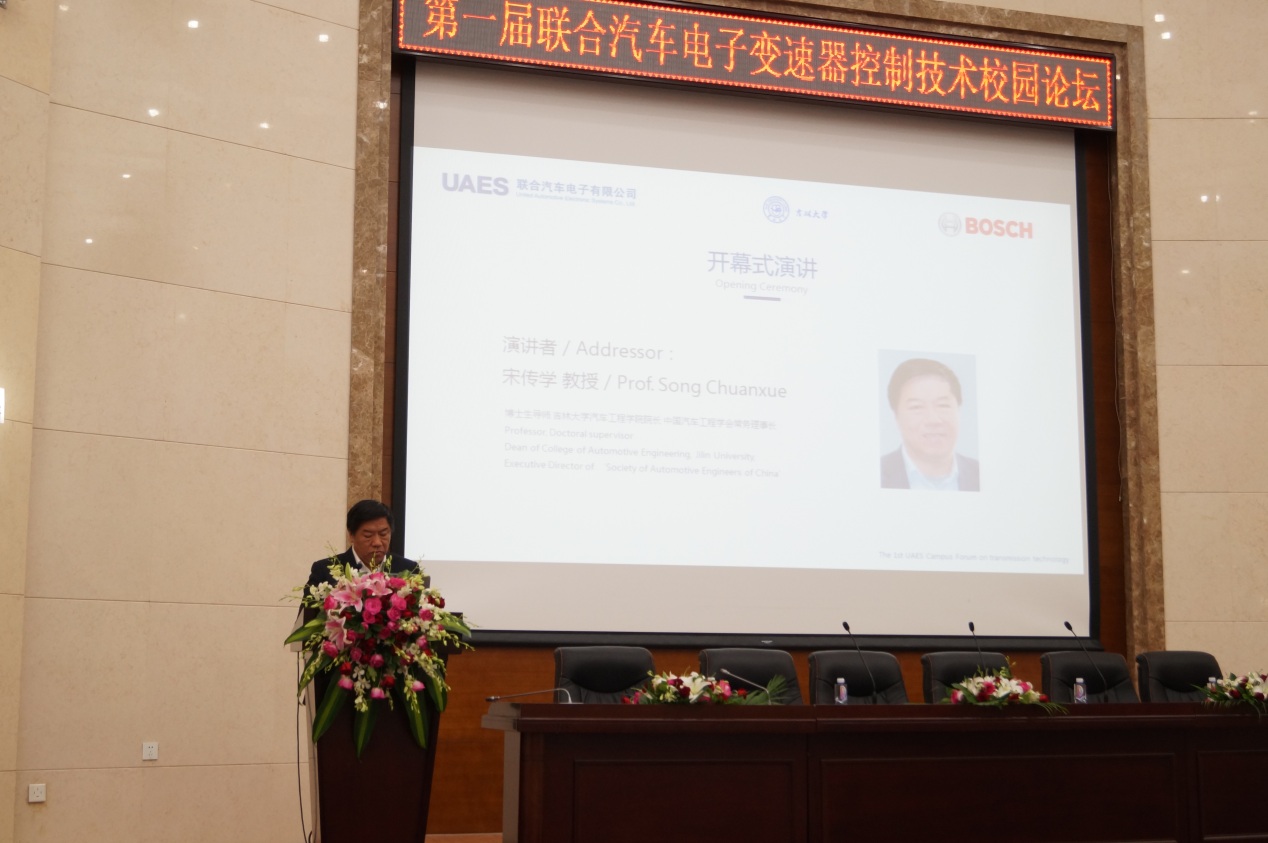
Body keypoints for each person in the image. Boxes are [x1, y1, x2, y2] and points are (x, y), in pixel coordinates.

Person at [880, 358, 980, 491]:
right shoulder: (875, 473)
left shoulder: (981, 474)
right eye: (916, 407)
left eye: (943, 405)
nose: (933, 420)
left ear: (959, 410)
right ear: (896, 416)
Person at [304, 499, 421, 590]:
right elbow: (307, 614)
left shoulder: (408, 569)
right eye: (368, 535)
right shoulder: (324, 570)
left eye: (383, 534)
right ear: (351, 535)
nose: (377, 542)